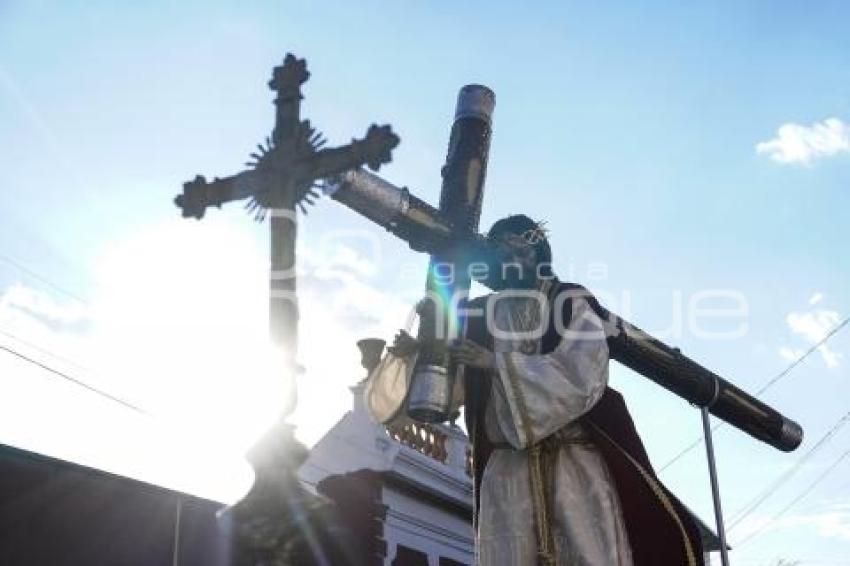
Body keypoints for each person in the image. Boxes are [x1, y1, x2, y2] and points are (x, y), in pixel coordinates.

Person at [391, 214, 704, 566]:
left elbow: (584, 373)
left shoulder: (569, 300)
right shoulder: (477, 314)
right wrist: (419, 357)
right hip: (508, 473)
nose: (512, 261)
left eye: (519, 251)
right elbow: (453, 388)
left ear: (537, 253)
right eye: (501, 252)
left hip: (574, 466)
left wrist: (496, 363)